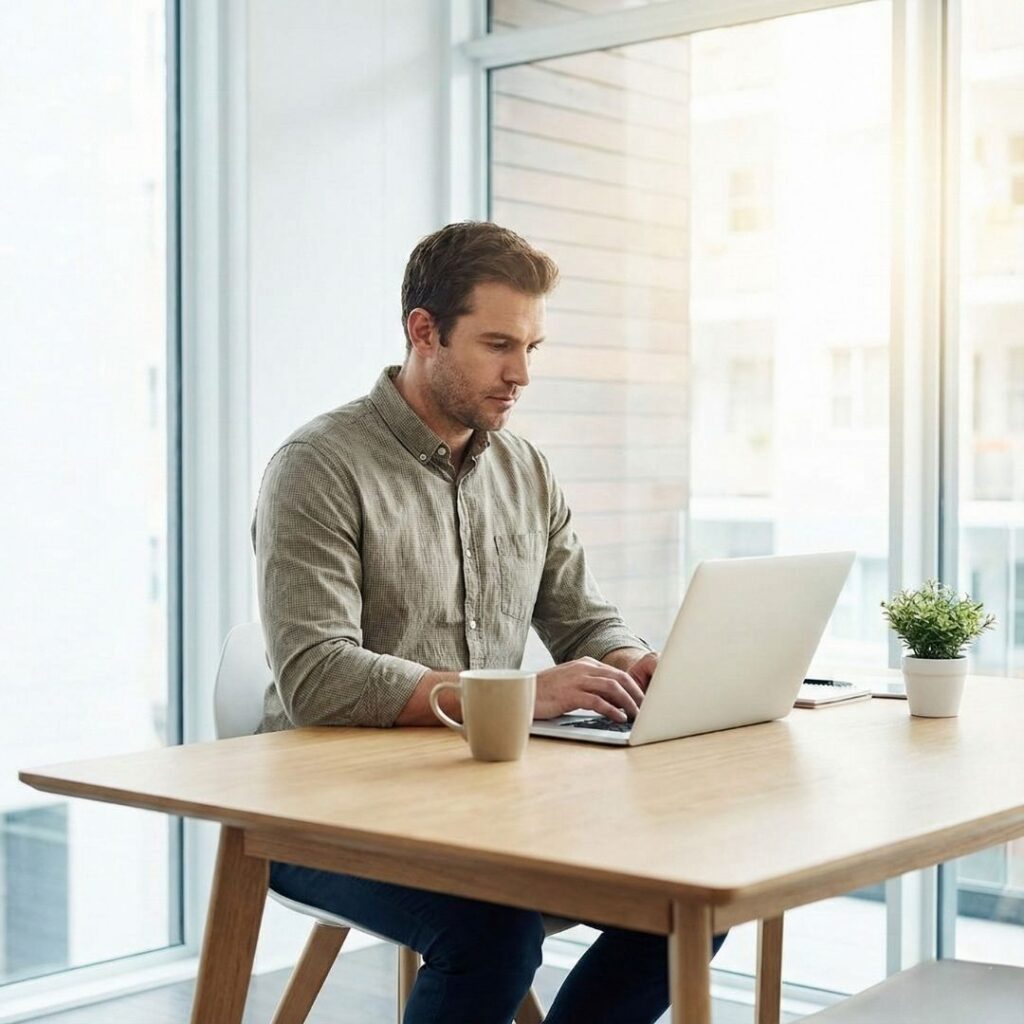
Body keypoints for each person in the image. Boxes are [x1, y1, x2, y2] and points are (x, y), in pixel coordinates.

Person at [251, 221, 725, 1023]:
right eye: (499, 344)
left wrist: (631, 661)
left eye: (533, 348)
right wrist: (513, 693)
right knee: (492, 932)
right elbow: (317, 677)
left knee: (692, 896)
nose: (522, 375)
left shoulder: (525, 468)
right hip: (321, 813)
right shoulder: (319, 466)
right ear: (423, 332)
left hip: (486, 798)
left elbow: (584, 617)